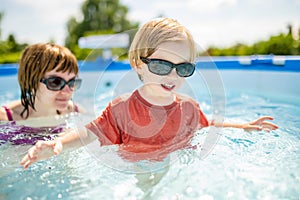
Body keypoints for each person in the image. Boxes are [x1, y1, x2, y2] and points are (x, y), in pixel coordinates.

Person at [20, 18, 278, 170]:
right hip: (137, 169)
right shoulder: (121, 109)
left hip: (179, 168)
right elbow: (90, 131)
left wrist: (241, 125)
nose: (172, 76)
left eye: (183, 67)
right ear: (137, 64)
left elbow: (207, 124)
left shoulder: (188, 106)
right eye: (161, 65)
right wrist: (60, 143)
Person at [0, 43, 83, 122]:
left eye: (72, 82)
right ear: (31, 82)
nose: (67, 92)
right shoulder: (5, 118)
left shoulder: (75, 111)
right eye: (56, 82)